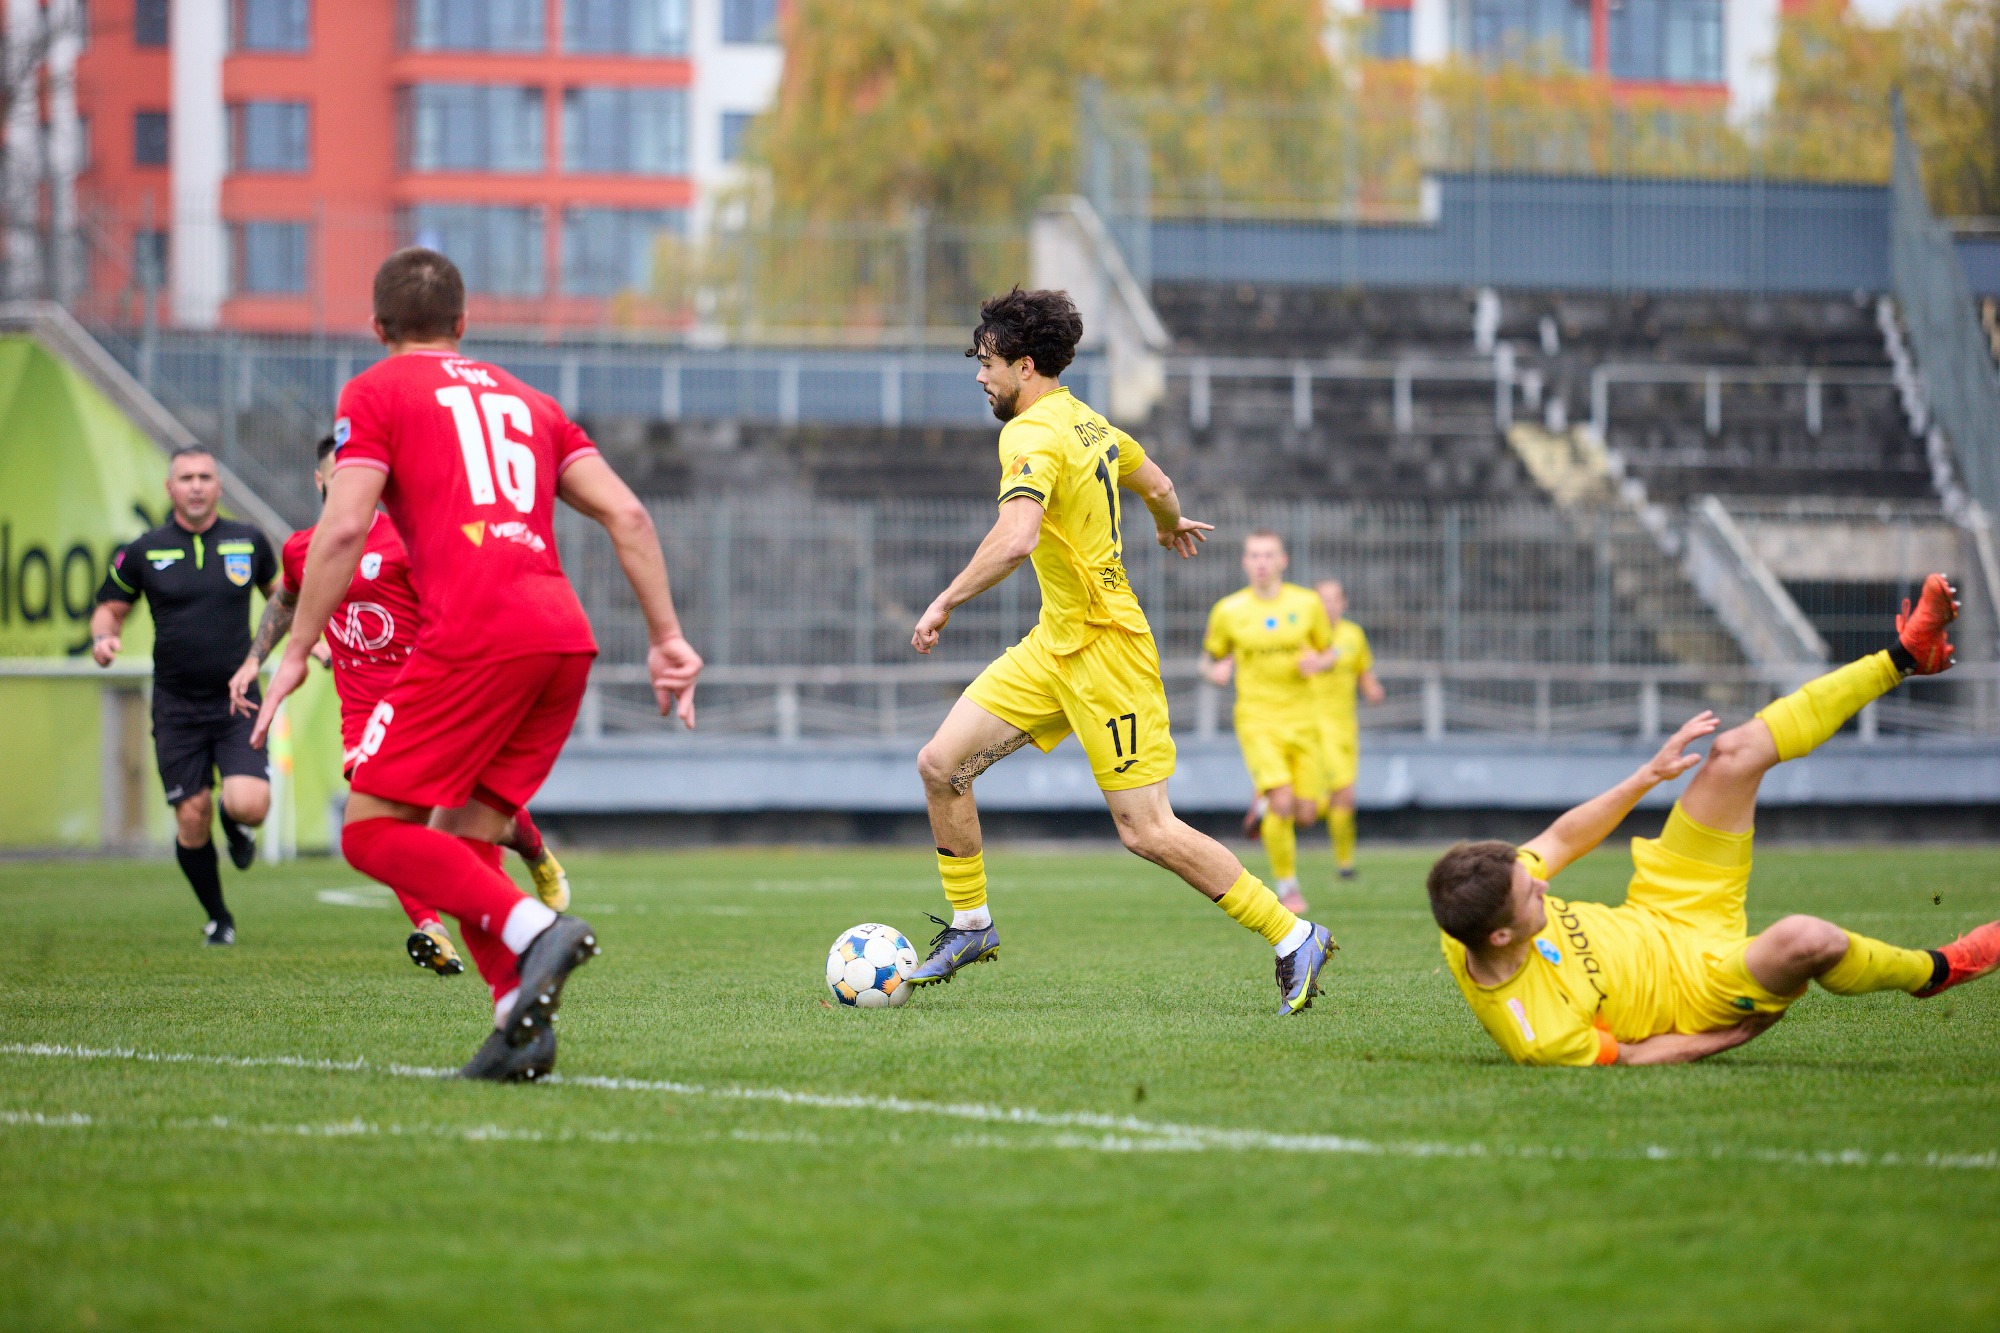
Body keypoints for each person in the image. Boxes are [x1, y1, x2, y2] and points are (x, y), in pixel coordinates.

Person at [252, 248, 703, 1082]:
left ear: (378, 327)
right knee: (468, 840)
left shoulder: (375, 390)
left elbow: (343, 530)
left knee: (371, 832)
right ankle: (518, 1027)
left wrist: (295, 649)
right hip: (561, 640)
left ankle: (538, 932)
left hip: (475, 634)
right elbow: (629, 513)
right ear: (465, 324)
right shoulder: (532, 401)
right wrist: (667, 636)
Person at [907, 287, 1338, 1016]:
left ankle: (1293, 933)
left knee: (1147, 829)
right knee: (941, 764)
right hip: (1055, 644)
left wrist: (946, 599)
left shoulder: (1030, 433)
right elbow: (1159, 483)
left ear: (1026, 364)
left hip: (1108, 653)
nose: (980, 377)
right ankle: (972, 924)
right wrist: (1169, 524)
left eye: (987, 363)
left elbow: (1015, 537)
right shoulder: (1091, 424)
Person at [1427, 574, 2000, 1066]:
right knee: (1807, 937)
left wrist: (1648, 775)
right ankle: (1940, 969)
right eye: (1533, 896)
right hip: (1704, 988)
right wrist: (1723, 1039)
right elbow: (1631, 1057)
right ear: (1500, 936)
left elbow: (1560, 837)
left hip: (1664, 902)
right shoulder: (1537, 1033)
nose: (1544, 883)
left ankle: (1904, 656)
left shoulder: (1474, 899)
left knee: (1733, 753)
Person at [227, 434, 573, 980]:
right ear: (321, 483)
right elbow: (287, 598)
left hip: (431, 701)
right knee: (389, 822)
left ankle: (534, 855)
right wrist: (255, 660)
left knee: (469, 817)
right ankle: (431, 926)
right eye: (340, 476)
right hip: (364, 714)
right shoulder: (301, 548)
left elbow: (457, 609)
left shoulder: (409, 542)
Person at [91, 446, 277, 946]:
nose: (196, 485)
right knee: (190, 815)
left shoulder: (249, 540)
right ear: (170, 489)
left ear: (219, 486)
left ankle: (235, 822)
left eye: (205, 476)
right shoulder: (144, 550)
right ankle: (219, 917)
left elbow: (283, 598)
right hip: (176, 704)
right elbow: (110, 610)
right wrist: (102, 639)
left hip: (238, 699)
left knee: (251, 804)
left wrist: (311, 641)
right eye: (186, 478)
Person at [1202, 532, 1334, 915]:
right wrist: (1216, 672)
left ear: (1283, 560)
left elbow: (1330, 652)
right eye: (1254, 555)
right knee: (1283, 800)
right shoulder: (1229, 610)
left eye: (1268, 555)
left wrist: (1319, 663)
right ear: (1245, 562)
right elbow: (1207, 661)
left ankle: (1260, 807)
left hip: (1304, 720)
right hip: (1257, 719)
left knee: (1307, 813)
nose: (1261, 562)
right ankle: (1289, 888)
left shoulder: (1307, 604)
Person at [1309, 579, 1383, 882]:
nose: (1327, 605)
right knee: (1341, 794)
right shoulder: (1304, 635)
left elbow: (1362, 670)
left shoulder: (1354, 635)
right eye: (1322, 599)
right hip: (1312, 727)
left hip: (1345, 728)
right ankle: (1344, 863)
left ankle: (1344, 863)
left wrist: (1372, 689)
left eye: (1333, 599)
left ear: (1343, 603)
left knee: (1342, 799)